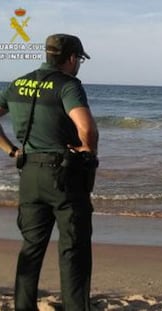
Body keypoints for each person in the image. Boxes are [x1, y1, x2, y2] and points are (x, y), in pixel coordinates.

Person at [0, 33, 99, 311]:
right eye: (79, 59)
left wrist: (11, 150)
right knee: (73, 250)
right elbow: (86, 127)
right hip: (63, 177)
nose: (78, 64)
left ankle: (23, 306)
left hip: (29, 173)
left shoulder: (18, 84)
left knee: (31, 247)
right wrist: (88, 152)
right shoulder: (68, 86)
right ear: (70, 58)